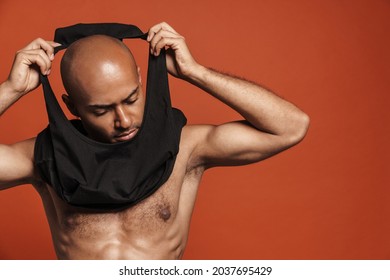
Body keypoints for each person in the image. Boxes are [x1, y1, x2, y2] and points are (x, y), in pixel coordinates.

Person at [0, 22, 309, 259]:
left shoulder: (186, 147)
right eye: (101, 110)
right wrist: (11, 89)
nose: (123, 120)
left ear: (139, 78)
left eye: (131, 98)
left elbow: (291, 127)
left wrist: (196, 72)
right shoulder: (45, 158)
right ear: (71, 107)